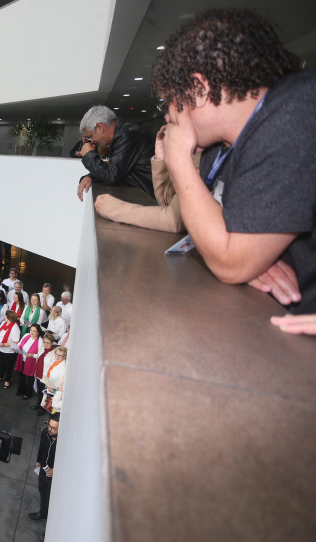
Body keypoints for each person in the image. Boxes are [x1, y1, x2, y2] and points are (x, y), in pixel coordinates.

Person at [153, 8, 316, 317]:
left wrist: (178, 163)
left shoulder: (294, 116)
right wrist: (245, 255)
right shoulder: (219, 148)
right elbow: (218, 236)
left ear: (198, 90)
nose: (167, 117)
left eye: (169, 103)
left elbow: (229, 261)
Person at [76, 105, 154, 201]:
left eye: (91, 136)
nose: (92, 141)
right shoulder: (124, 133)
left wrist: (89, 155)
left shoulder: (126, 135)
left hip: (149, 199)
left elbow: (111, 176)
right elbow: (118, 170)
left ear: (100, 127)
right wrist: (90, 176)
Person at [27, 413, 59, 521]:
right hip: (43, 469)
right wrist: (38, 460)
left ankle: (50, 528)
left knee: (54, 501)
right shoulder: (45, 432)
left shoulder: (63, 443)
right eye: (49, 426)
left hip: (55, 477)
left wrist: (56, 470)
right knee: (42, 491)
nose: (50, 429)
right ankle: (43, 513)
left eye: (53, 428)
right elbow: (41, 446)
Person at [0, 310, 21, 389]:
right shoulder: (4, 323)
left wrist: (5, 344)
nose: (4, 317)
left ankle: (7, 380)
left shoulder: (15, 328)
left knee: (8, 366)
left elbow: (15, 342)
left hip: (9, 351)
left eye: (5, 315)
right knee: (2, 364)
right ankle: (0, 376)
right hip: (1, 349)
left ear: (8, 317)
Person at [14, 324, 42, 400]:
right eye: (31, 330)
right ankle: (21, 390)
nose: (32, 333)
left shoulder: (40, 341)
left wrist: (33, 355)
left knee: (29, 378)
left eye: (34, 331)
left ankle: (28, 393)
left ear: (38, 332)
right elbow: (20, 344)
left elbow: (40, 355)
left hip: (31, 362)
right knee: (21, 376)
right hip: (22, 359)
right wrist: (15, 348)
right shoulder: (26, 335)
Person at [32, 334, 57, 413]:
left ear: (52, 343)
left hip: (46, 378)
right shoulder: (42, 349)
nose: (45, 344)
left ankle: (42, 409)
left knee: (45, 394)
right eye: (44, 342)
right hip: (39, 375)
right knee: (39, 392)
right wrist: (35, 371)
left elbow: (52, 368)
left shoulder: (53, 354)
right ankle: (38, 404)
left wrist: (49, 381)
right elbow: (38, 360)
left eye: (48, 342)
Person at [39, 345, 67, 413]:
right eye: (56, 354)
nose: (57, 356)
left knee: (53, 410)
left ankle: (51, 421)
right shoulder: (54, 361)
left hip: (54, 391)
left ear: (64, 356)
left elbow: (61, 382)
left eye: (60, 355)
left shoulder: (63, 368)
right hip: (49, 386)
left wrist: (53, 389)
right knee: (47, 405)